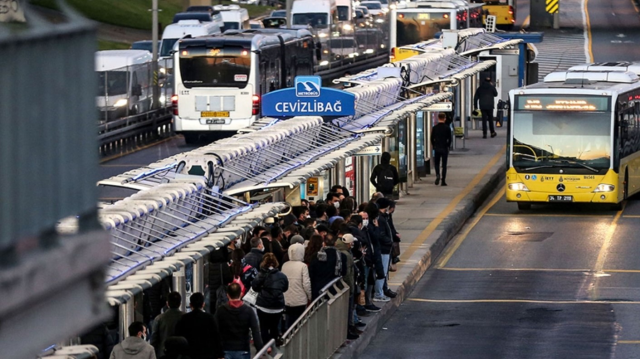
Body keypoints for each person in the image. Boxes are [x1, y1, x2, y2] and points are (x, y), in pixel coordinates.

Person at [215, 283, 264, 359]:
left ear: (228, 295)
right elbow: (255, 332)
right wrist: (260, 350)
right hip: (243, 349)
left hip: (225, 350)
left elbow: (215, 331)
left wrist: (218, 352)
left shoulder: (221, 311)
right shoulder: (248, 311)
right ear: (241, 294)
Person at [252, 253, 289, 346]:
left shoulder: (260, 275)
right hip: (277, 306)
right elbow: (285, 288)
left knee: (263, 328)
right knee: (274, 327)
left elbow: (254, 287)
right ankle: (274, 345)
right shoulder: (282, 276)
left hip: (263, 305)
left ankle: (265, 347)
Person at [174, 292, 223, 359]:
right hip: (207, 354)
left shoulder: (184, 318)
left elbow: (178, 337)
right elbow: (216, 337)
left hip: (189, 355)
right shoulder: (210, 318)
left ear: (190, 305)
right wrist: (220, 354)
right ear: (203, 304)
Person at [281, 243, 312, 328]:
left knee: (288, 321)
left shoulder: (285, 265)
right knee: (299, 323)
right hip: (300, 299)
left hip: (287, 299)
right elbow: (306, 283)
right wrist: (310, 296)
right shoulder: (303, 266)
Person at [308, 234, 347, 300]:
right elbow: (343, 272)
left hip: (317, 289)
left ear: (324, 243)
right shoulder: (342, 256)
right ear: (335, 243)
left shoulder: (316, 256)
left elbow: (311, 272)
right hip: (334, 289)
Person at [151, 292, 184, 358]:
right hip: (181, 354)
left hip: (163, 354)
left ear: (167, 303)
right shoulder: (185, 317)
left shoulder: (159, 318)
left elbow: (154, 339)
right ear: (180, 304)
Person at [431, 112, 452, 187]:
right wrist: (448, 146)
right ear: (445, 118)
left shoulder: (435, 128)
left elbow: (432, 138)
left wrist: (434, 145)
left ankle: (437, 175)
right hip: (444, 148)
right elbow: (450, 139)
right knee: (444, 165)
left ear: (438, 118)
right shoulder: (447, 128)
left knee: (436, 163)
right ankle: (443, 180)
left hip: (437, 148)